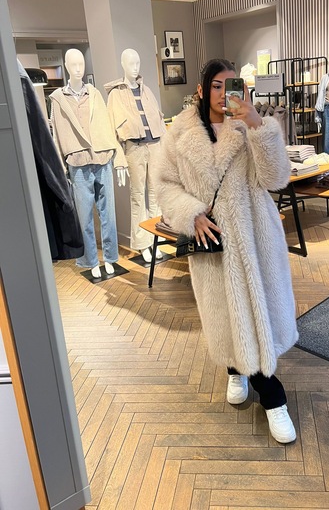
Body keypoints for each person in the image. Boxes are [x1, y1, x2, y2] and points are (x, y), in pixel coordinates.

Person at [154, 58, 299, 444]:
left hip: (256, 239)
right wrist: (191, 214)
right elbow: (165, 185)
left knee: (257, 314)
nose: (223, 94)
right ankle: (236, 370)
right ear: (202, 90)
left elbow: (276, 178)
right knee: (225, 313)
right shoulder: (179, 133)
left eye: (231, 86)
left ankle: (273, 397)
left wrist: (256, 124)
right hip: (213, 244)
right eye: (216, 86)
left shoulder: (250, 125)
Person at [50, 48, 127, 279]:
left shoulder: (94, 93)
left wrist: (118, 157)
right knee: (84, 218)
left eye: (81, 64)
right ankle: (91, 260)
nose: (78, 68)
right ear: (66, 66)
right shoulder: (58, 98)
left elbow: (106, 127)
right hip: (78, 162)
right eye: (73, 64)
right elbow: (57, 134)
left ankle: (111, 257)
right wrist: (60, 167)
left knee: (108, 214)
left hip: (102, 158)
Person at [105, 49, 166, 262]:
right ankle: (142, 244)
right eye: (131, 63)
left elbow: (159, 123)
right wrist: (119, 160)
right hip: (134, 149)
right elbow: (112, 130)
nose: (135, 67)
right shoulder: (115, 95)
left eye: (138, 63)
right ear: (123, 64)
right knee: (138, 197)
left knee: (156, 195)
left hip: (155, 147)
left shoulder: (146, 90)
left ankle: (156, 238)